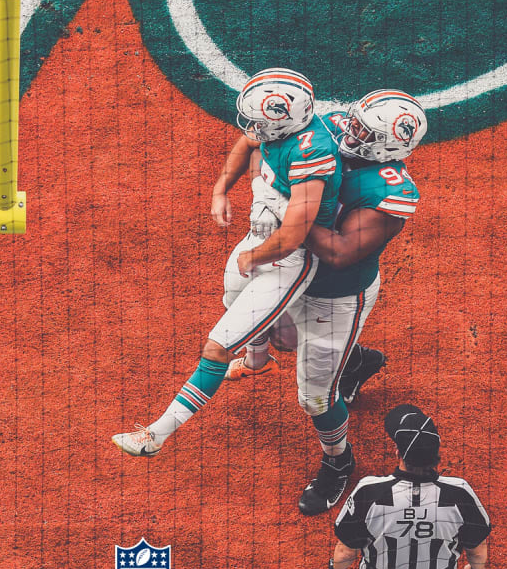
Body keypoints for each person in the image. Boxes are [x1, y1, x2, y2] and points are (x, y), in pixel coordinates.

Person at [111, 68, 340, 457]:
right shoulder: (279, 128)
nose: (254, 128)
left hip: (287, 257)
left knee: (217, 347)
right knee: (233, 302)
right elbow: (247, 142)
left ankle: (155, 435)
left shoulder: (311, 154)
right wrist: (220, 190)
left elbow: (293, 237)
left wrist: (254, 255)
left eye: (261, 123)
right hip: (259, 238)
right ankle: (258, 363)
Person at [224, 89, 429, 516]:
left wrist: (288, 207)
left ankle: (338, 461)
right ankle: (354, 361)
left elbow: (339, 252)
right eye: (355, 122)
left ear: (388, 147)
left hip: (335, 293)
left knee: (315, 397)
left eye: (365, 132)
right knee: (278, 336)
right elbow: (257, 137)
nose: (350, 132)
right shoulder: (328, 126)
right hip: (291, 268)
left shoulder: (390, 192)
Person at [327, 404, 491, 569]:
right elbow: (476, 550)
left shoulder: (368, 491)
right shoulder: (460, 493)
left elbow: (346, 552)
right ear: (436, 454)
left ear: (397, 451)